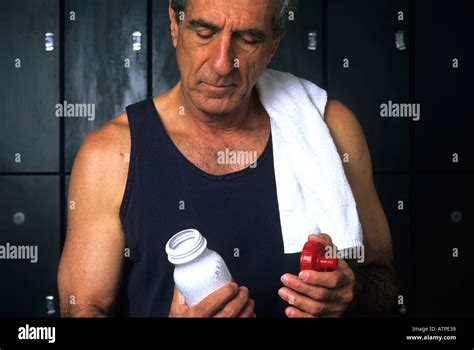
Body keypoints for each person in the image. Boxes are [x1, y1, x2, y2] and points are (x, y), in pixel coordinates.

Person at [58, 0, 398, 318]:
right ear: (174, 25)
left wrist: (353, 292)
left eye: (248, 38)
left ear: (274, 43)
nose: (222, 64)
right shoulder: (109, 155)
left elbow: (385, 285)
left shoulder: (330, 129)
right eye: (204, 32)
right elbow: (82, 310)